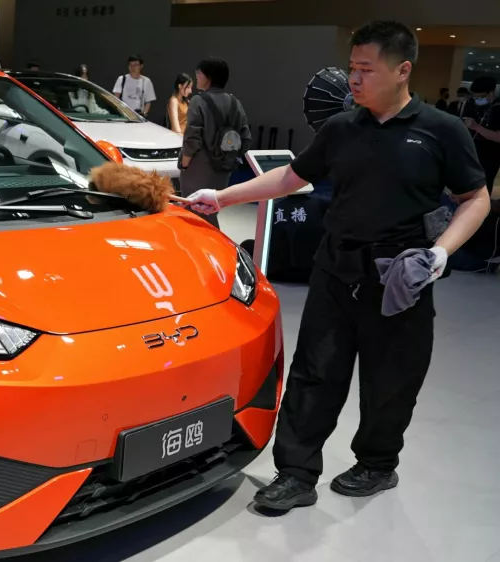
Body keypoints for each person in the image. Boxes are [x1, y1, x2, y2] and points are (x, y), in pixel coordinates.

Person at [186, 21, 491, 512]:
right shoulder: (342, 127)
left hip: (400, 278)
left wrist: (441, 253)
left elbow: (475, 198)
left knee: (390, 380)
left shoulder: (440, 130)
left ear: (402, 69)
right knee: (314, 374)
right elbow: (290, 176)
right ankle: (296, 474)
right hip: (334, 271)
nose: (354, 79)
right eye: (352, 68)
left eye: (366, 69)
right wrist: (219, 195)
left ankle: (376, 464)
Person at [178, 57, 251, 228]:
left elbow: (192, 137)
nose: (197, 76)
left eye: (199, 73)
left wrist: (185, 163)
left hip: (198, 168)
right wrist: (230, 157)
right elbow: (246, 138)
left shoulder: (198, 100)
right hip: (223, 169)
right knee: (211, 211)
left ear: (209, 76)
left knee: (193, 212)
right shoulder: (235, 102)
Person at [462, 76, 500, 193]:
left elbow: (498, 137)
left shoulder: (497, 109)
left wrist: (476, 127)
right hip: (470, 152)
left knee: (482, 188)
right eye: (475, 96)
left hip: (489, 156)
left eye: (480, 97)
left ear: (491, 92)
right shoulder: (471, 104)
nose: (477, 99)